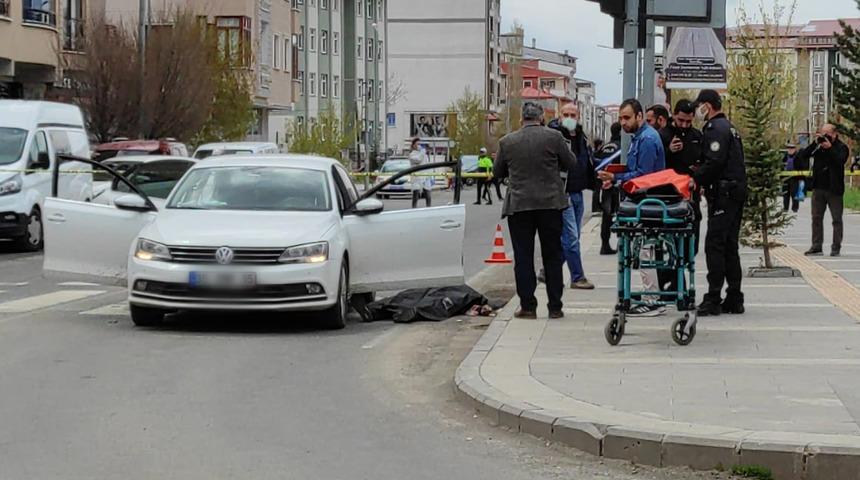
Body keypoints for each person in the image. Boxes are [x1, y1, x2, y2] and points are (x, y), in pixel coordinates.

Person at [494, 102, 577, 319]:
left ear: (522, 119)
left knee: (523, 256)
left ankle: (528, 306)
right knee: (552, 254)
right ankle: (555, 306)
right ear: (541, 118)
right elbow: (570, 163)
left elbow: (498, 171)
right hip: (550, 204)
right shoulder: (554, 137)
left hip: (519, 206)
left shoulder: (507, 142)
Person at [596, 99, 666, 317]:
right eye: (620, 118)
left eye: (626, 118)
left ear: (639, 116)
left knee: (647, 251)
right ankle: (650, 296)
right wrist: (615, 179)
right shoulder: (640, 138)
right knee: (644, 250)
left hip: (648, 202)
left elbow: (642, 176)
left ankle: (653, 299)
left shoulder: (646, 139)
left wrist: (616, 178)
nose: (623, 122)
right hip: (644, 202)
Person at [691, 90, 747, 316]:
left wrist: (695, 179)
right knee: (730, 245)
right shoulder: (731, 128)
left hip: (724, 193)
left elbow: (714, 162)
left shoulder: (715, 129)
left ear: (707, 105)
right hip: (734, 192)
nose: (698, 111)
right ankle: (734, 296)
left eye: (699, 107)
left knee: (715, 244)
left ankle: (713, 297)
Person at [546, 103, 596, 290]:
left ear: (578, 116)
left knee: (570, 237)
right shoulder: (555, 136)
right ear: (559, 116)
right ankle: (577, 277)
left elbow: (586, 160)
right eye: (565, 114)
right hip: (562, 193)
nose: (569, 117)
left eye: (572, 114)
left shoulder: (581, 136)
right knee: (571, 237)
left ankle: (548, 271)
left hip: (577, 192)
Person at [657, 99, 704, 292]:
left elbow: (704, 161)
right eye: (681, 120)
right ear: (674, 115)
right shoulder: (663, 135)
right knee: (668, 243)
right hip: (668, 197)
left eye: (688, 121)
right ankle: (672, 285)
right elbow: (656, 165)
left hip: (690, 197)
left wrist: (699, 175)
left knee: (691, 246)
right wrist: (669, 151)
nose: (684, 125)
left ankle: (676, 279)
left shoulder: (697, 136)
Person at [803, 124, 850, 257]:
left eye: (827, 134)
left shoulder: (841, 147)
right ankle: (816, 246)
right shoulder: (818, 147)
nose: (825, 137)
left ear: (834, 134)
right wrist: (814, 143)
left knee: (836, 219)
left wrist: (830, 148)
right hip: (818, 187)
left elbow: (840, 161)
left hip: (834, 189)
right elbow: (804, 155)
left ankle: (836, 247)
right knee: (816, 218)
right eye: (823, 134)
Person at [596, 123, 622, 255]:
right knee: (620, 214)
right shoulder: (623, 146)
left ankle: (604, 244)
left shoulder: (605, 147)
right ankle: (621, 243)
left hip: (603, 185)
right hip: (616, 184)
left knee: (606, 216)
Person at [782, 144, 807, 213]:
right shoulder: (784, 157)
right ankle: (785, 208)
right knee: (785, 193)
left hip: (795, 178)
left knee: (794, 193)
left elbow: (802, 166)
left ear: (794, 149)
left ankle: (795, 208)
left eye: (791, 149)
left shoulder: (798, 157)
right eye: (789, 149)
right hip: (786, 178)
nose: (790, 150)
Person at [408, 137, 432, 208]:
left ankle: (429, 209)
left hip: (425, 176)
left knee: (428, 194)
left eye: (420, 144)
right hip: (417, 178)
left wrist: (430, 176)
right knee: (416, 194)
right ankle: (414, 209)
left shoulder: (424, 154)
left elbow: (427, 164)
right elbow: (418, 159)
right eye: (417, 144)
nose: (419, 145)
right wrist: (422, 151)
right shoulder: (412, 154)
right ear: (413, 145)